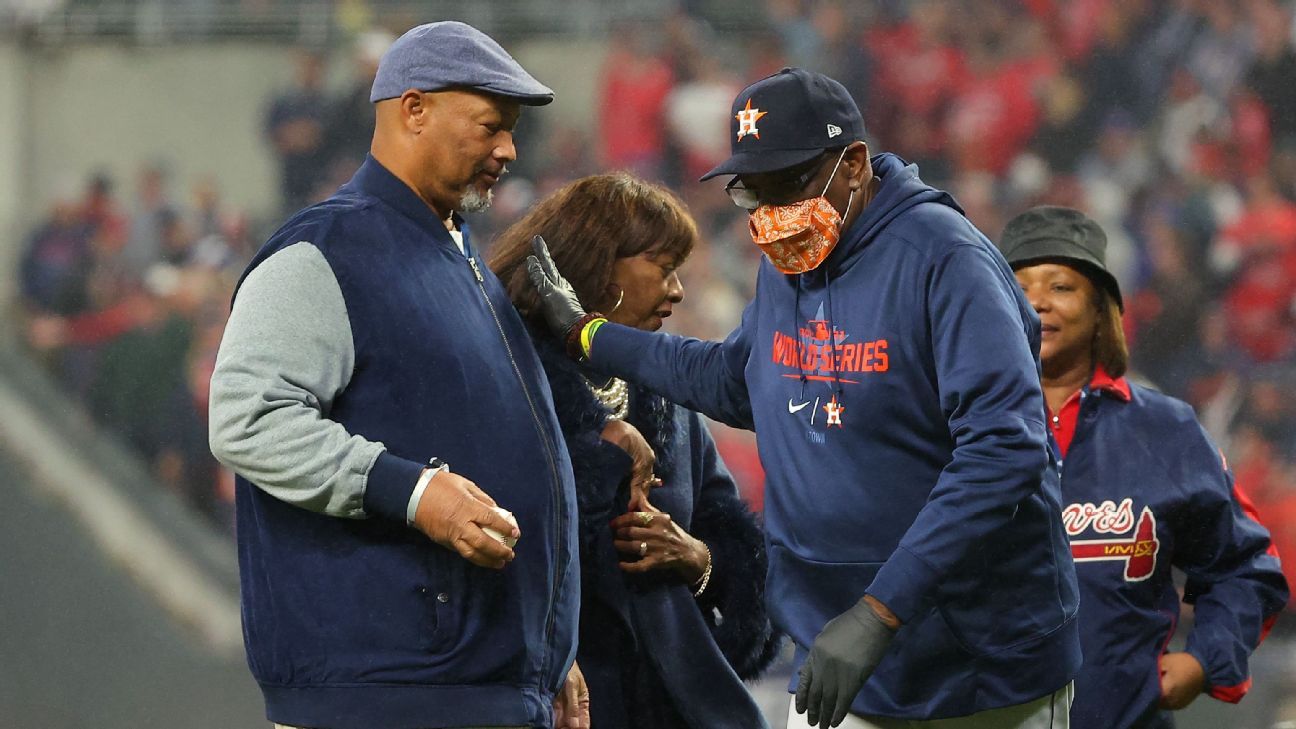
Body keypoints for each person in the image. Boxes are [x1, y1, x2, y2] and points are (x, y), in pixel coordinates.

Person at [528, 67, 1080, 729]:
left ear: (852, 164)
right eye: (751, 193)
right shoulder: (792, 257)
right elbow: (737, 381)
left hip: (974, 670)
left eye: (788, 184)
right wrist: (590, 336)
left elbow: (1004, 454)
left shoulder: (946, 260)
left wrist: (880, 612)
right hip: (833, 659)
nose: (771, 215)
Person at [209, 21, 588, 729]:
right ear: (413, 110)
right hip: (377, 694)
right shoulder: (325, 249)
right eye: (489, 125)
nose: (508, 148)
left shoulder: (458, 256)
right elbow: (246, 418)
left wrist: (539, 649)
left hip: (465, 685)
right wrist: (415, 492)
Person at [489, 173, 781, 729]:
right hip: (557, 704)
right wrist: (599, 451)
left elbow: (736, 550)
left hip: (675, 706)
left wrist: (700, 562)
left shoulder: (664, 394)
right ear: (599, 265)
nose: (677, 291)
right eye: (662, 266)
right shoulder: (506, 378)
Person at [996, 206, 1289, 729]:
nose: (1037, 301)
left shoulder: (1164, 430)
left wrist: (1205, 660)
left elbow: (1246, 567)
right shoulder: (951, 429)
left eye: (1061, 286)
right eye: (1018, 286)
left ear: (1101, 309)